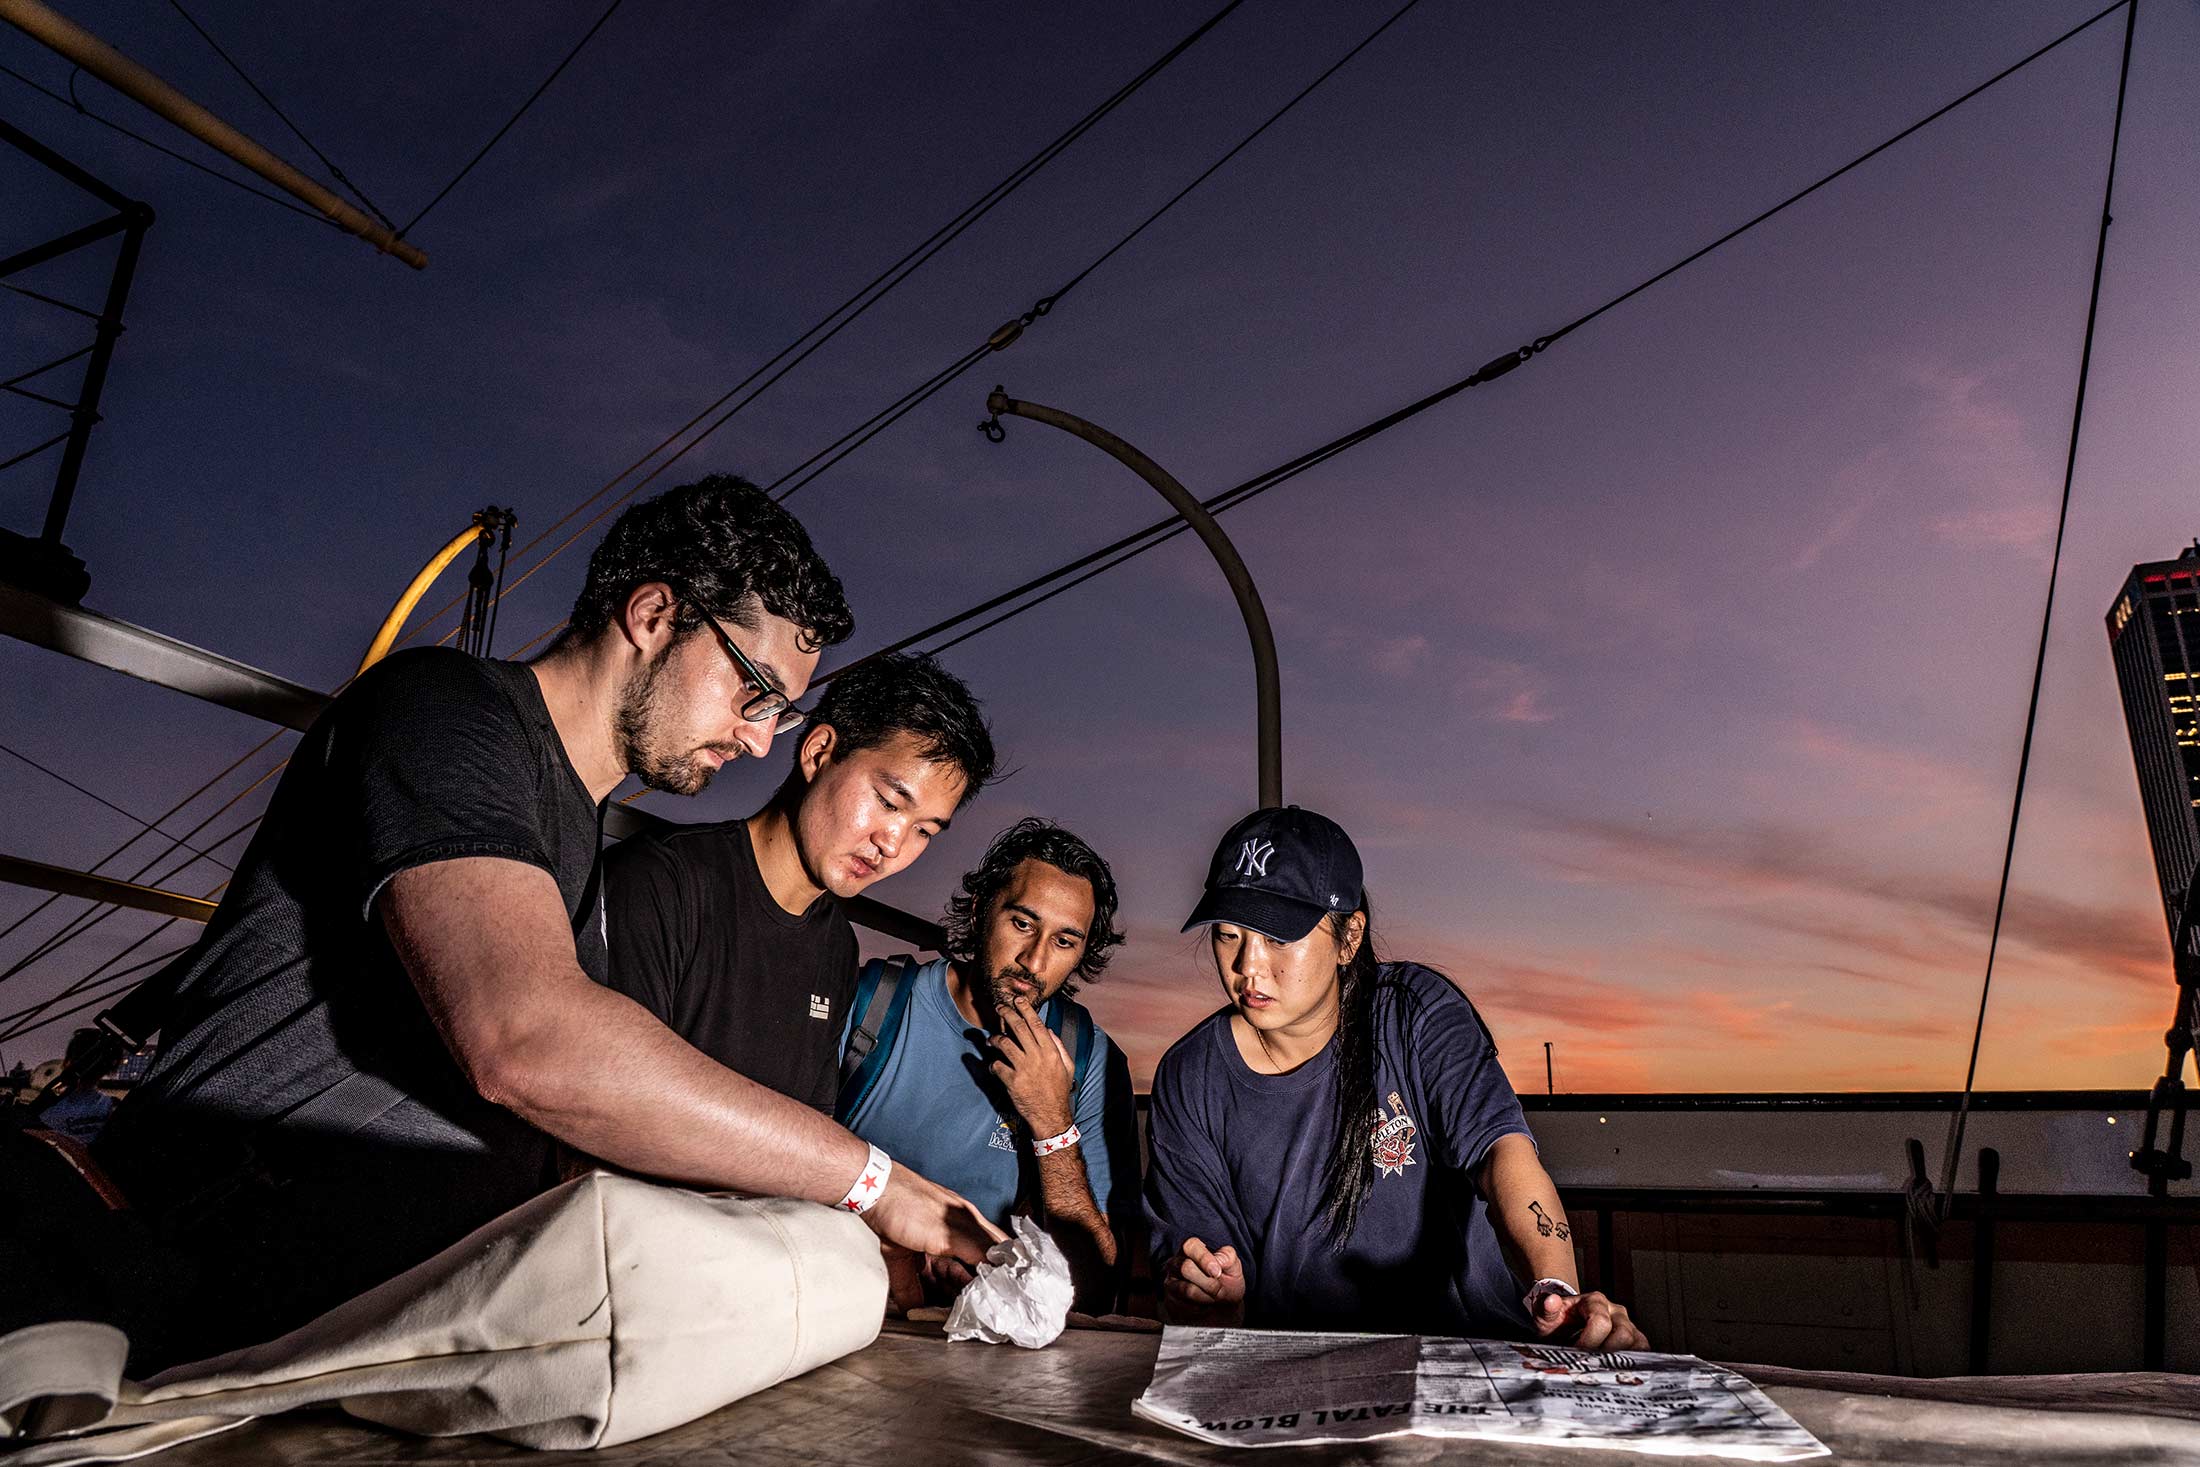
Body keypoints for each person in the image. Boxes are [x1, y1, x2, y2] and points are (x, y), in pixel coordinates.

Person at [86, 475, 998, 1368]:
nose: (762, 739)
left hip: (359, 1339)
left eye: (779, 710)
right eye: (752, 688)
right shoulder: (444, 711)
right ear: (652, 616)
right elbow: (525, 1038)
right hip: (187, 1314)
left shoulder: (573, 840)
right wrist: (872, 1182)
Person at [1145, 806, 1647, 1348]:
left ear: (1349, 937)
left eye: (1280, 938)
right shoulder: (1188, 1075)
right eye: (1228, 935)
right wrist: (1211, 1295)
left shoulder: (1415, 1012)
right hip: (1291, 1370)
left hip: (1463, 1354)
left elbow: (1504, 1154)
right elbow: (1205, 1273)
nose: (1248, 966)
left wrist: (1555, 1290)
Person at [598, 650, 994, 1116]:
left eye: (924, 831)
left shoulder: (837, 948)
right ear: (818, 751)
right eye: (889, 802)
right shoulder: (658, 883)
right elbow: (606, 1110)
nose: (893, 844)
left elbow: (806, 1124)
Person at [836, 819, 1140, 1313]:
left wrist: (1051, 1121)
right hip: (841, 1303)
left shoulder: (1089, 1057)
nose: (1035, 961)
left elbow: (1097, 1289)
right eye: (1022, 923)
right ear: (981, 911)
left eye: (1065, 941)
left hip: (993, 1338)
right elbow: (771, 1169)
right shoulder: (871, 1003)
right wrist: (889, 1243)